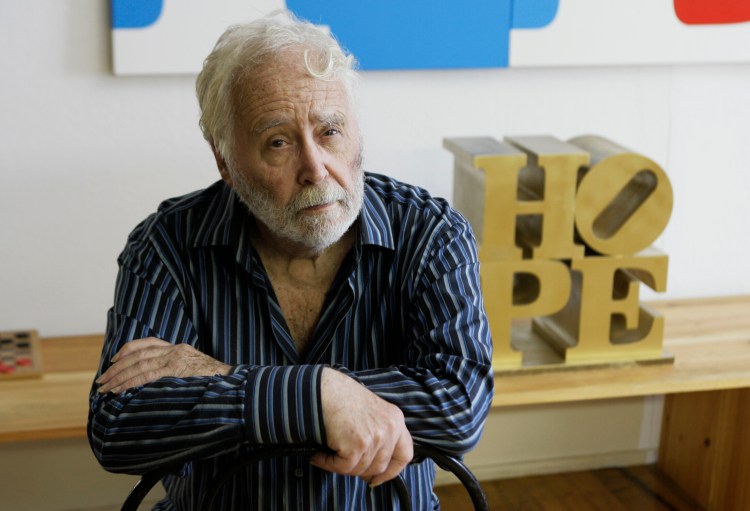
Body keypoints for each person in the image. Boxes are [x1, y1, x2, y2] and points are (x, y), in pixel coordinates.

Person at [88, 11, 493, 510]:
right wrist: (321, 397)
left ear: (356, 133)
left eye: (329, 132)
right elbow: (119, 424)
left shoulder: (431, 234)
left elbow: (458, 406)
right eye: (278, 142)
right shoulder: (167, 245)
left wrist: (231, 377)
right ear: (225, 161)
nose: (315, 169)